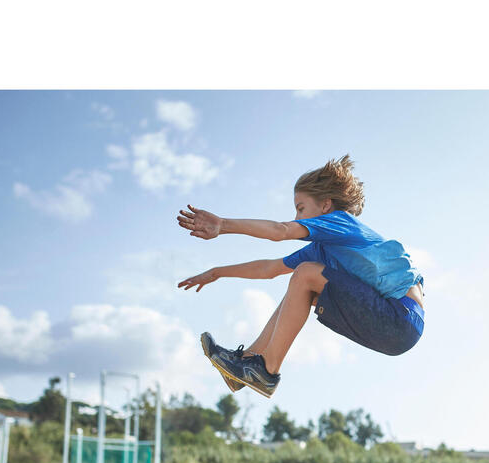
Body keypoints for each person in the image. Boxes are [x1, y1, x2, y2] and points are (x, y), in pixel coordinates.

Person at [176, 155, 425, 398]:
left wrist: (223, 224)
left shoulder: (339, 221)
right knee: (301, 284)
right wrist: (216, 272)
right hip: (392, 329)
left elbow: (279, 231)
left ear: (325, 205)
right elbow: (269, 269)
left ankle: (266, 371)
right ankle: (248, 361)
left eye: (301, 208)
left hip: (400, 318)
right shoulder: (322, 249)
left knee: (305, 275)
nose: (297, 217)